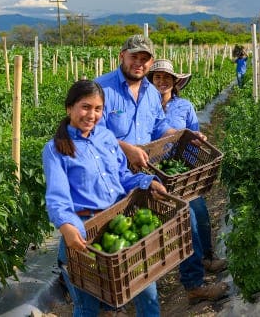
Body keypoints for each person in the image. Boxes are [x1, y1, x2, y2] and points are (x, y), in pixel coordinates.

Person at [95, 35, 228, 305]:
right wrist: (126, 148)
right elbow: (92, 132)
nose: (139, 63)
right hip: (112, 177)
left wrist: (184, 136)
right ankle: (112, 302)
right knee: (112, 236)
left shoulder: (151, 94)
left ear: (150, 62)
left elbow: (158, 129)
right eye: (134, 57)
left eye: (145, 59)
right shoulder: (102, 88)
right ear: (122, 56)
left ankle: (193, 285)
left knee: (184, 216)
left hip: (145, 174)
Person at [43, 79, 166, 317]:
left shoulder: (107, 137)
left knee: (146, 292)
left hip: (118, 227)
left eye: (98, 109)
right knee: (87, 307)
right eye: (85, 107)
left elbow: (122, 177)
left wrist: (146, 181)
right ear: (69, 108)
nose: (91, 114)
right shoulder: (56, 148)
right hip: (83, 235)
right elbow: (57, 198)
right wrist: (67, 227)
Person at [148, 58, 227, 274]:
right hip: (151, 171)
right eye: (157, 77)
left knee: (199, 211)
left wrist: (191, 166)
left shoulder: (184, 106)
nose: (161, 81)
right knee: (175, 219)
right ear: (151, 81)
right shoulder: (145, 107)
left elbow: (193, 137)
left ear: (175, 82)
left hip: (180, 170)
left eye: (166, 77)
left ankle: (206, 257)